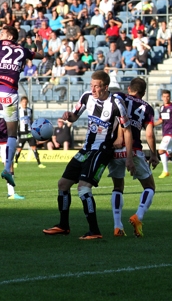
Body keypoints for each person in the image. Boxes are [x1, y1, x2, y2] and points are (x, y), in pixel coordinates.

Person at [43, 71, 132, 240]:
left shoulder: (116, 103)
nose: (92, 89)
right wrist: (70, 116)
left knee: (83, 188)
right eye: (91, 85)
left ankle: (95, 230)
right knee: (62, 184)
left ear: (105, 87)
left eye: (96, 86)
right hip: (86, 149)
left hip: (102, 150)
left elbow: (126, 130)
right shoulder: (86, 97)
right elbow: (75, 116)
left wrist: (128, 157)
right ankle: (63, 225)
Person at [0, 25, 42, 187]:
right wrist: (38, 43)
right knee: (12, 134)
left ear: (10, 37)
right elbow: (41, 54)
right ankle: (6, 168)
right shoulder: (23, 50)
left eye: (2, 33)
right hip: (9, 93)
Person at [108, 78, 158, 238]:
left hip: (115, 149)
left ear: (129, 88)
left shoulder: (119, 97)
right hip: (134, 149)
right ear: (143, 92)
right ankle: (138, 216)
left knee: (117, 187)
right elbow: (149, 133)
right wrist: (154, 154)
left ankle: (117, 226)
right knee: (149, 186)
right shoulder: (147, 108)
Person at [16, 96, 45, 168]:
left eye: (26, 102)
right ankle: (16, 162)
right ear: (21, 103)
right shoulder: (18, 111)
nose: (24, 103)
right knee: (19, 149)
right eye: (23, 102)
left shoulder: (30, 110)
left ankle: (39, 163)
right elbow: (16, 121)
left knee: (34, 148)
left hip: (29, 132)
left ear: (27, 103)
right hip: (22, 132)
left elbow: (31, 121)